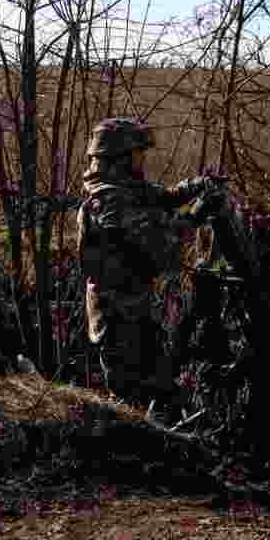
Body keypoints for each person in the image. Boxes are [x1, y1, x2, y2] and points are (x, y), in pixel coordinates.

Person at [76, 117, 226, 427]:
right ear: (119, 159)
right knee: (128, 401)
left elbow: (162, 196)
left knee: (157, 387)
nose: (142, 160)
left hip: (133, 307)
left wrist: (196, 186)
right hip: (117, 314)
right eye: (137, 155)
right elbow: (160, 243)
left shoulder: (125, 190)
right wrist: (196, 216)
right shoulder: (111, 202)